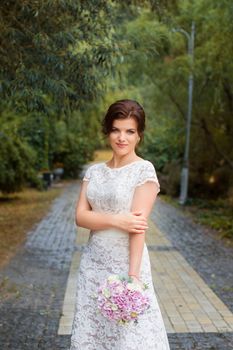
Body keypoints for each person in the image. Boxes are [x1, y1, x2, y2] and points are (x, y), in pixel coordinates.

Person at [69, 99, 170, 349]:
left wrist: (133, 279)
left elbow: (137, 228)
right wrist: (117, 219)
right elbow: (80, 217)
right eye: (116, 129)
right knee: (92, 334)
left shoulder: (143, 170)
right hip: (93, 265)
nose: (121, 137)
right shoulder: (93, 172)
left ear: (139, 136)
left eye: (130, 131)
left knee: (128, 338)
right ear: (108, 131)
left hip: (126, 265)